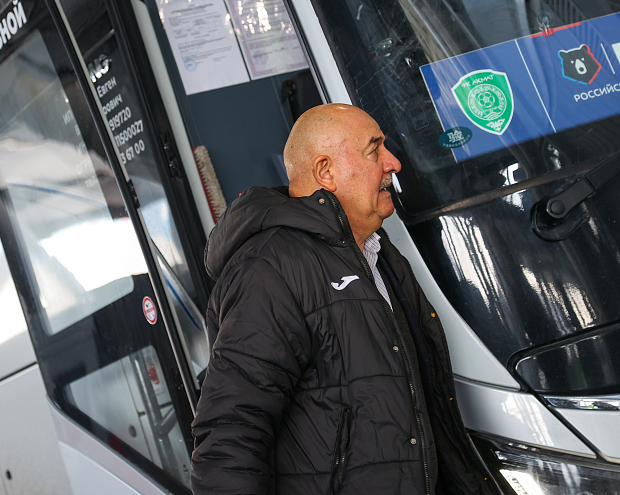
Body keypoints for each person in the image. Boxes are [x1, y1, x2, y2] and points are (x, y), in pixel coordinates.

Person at [191, 104, 500, 495]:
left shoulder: (377, 252)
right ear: (326, 172)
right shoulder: (269, 269)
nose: (393, 163)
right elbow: (229, 436)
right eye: (374, 150)